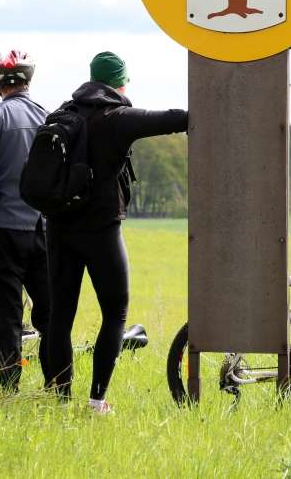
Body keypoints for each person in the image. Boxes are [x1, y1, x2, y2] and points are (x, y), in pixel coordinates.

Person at [47, 51, 187, 414]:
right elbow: (171, 119)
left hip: (59, 226)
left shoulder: (63, 113)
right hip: (101, 230)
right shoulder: (117, 117)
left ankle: (60, 402)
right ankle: (96, 401)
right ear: (120, 83)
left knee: (59, 317)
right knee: (115, 311)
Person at [0, 49, 53, 391]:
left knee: (5, 319)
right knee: (51, 315)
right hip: (45, 230)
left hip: (2, 231)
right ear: (29, 79)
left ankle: (6, 392)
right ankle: (58, 386)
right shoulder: (50, 115)